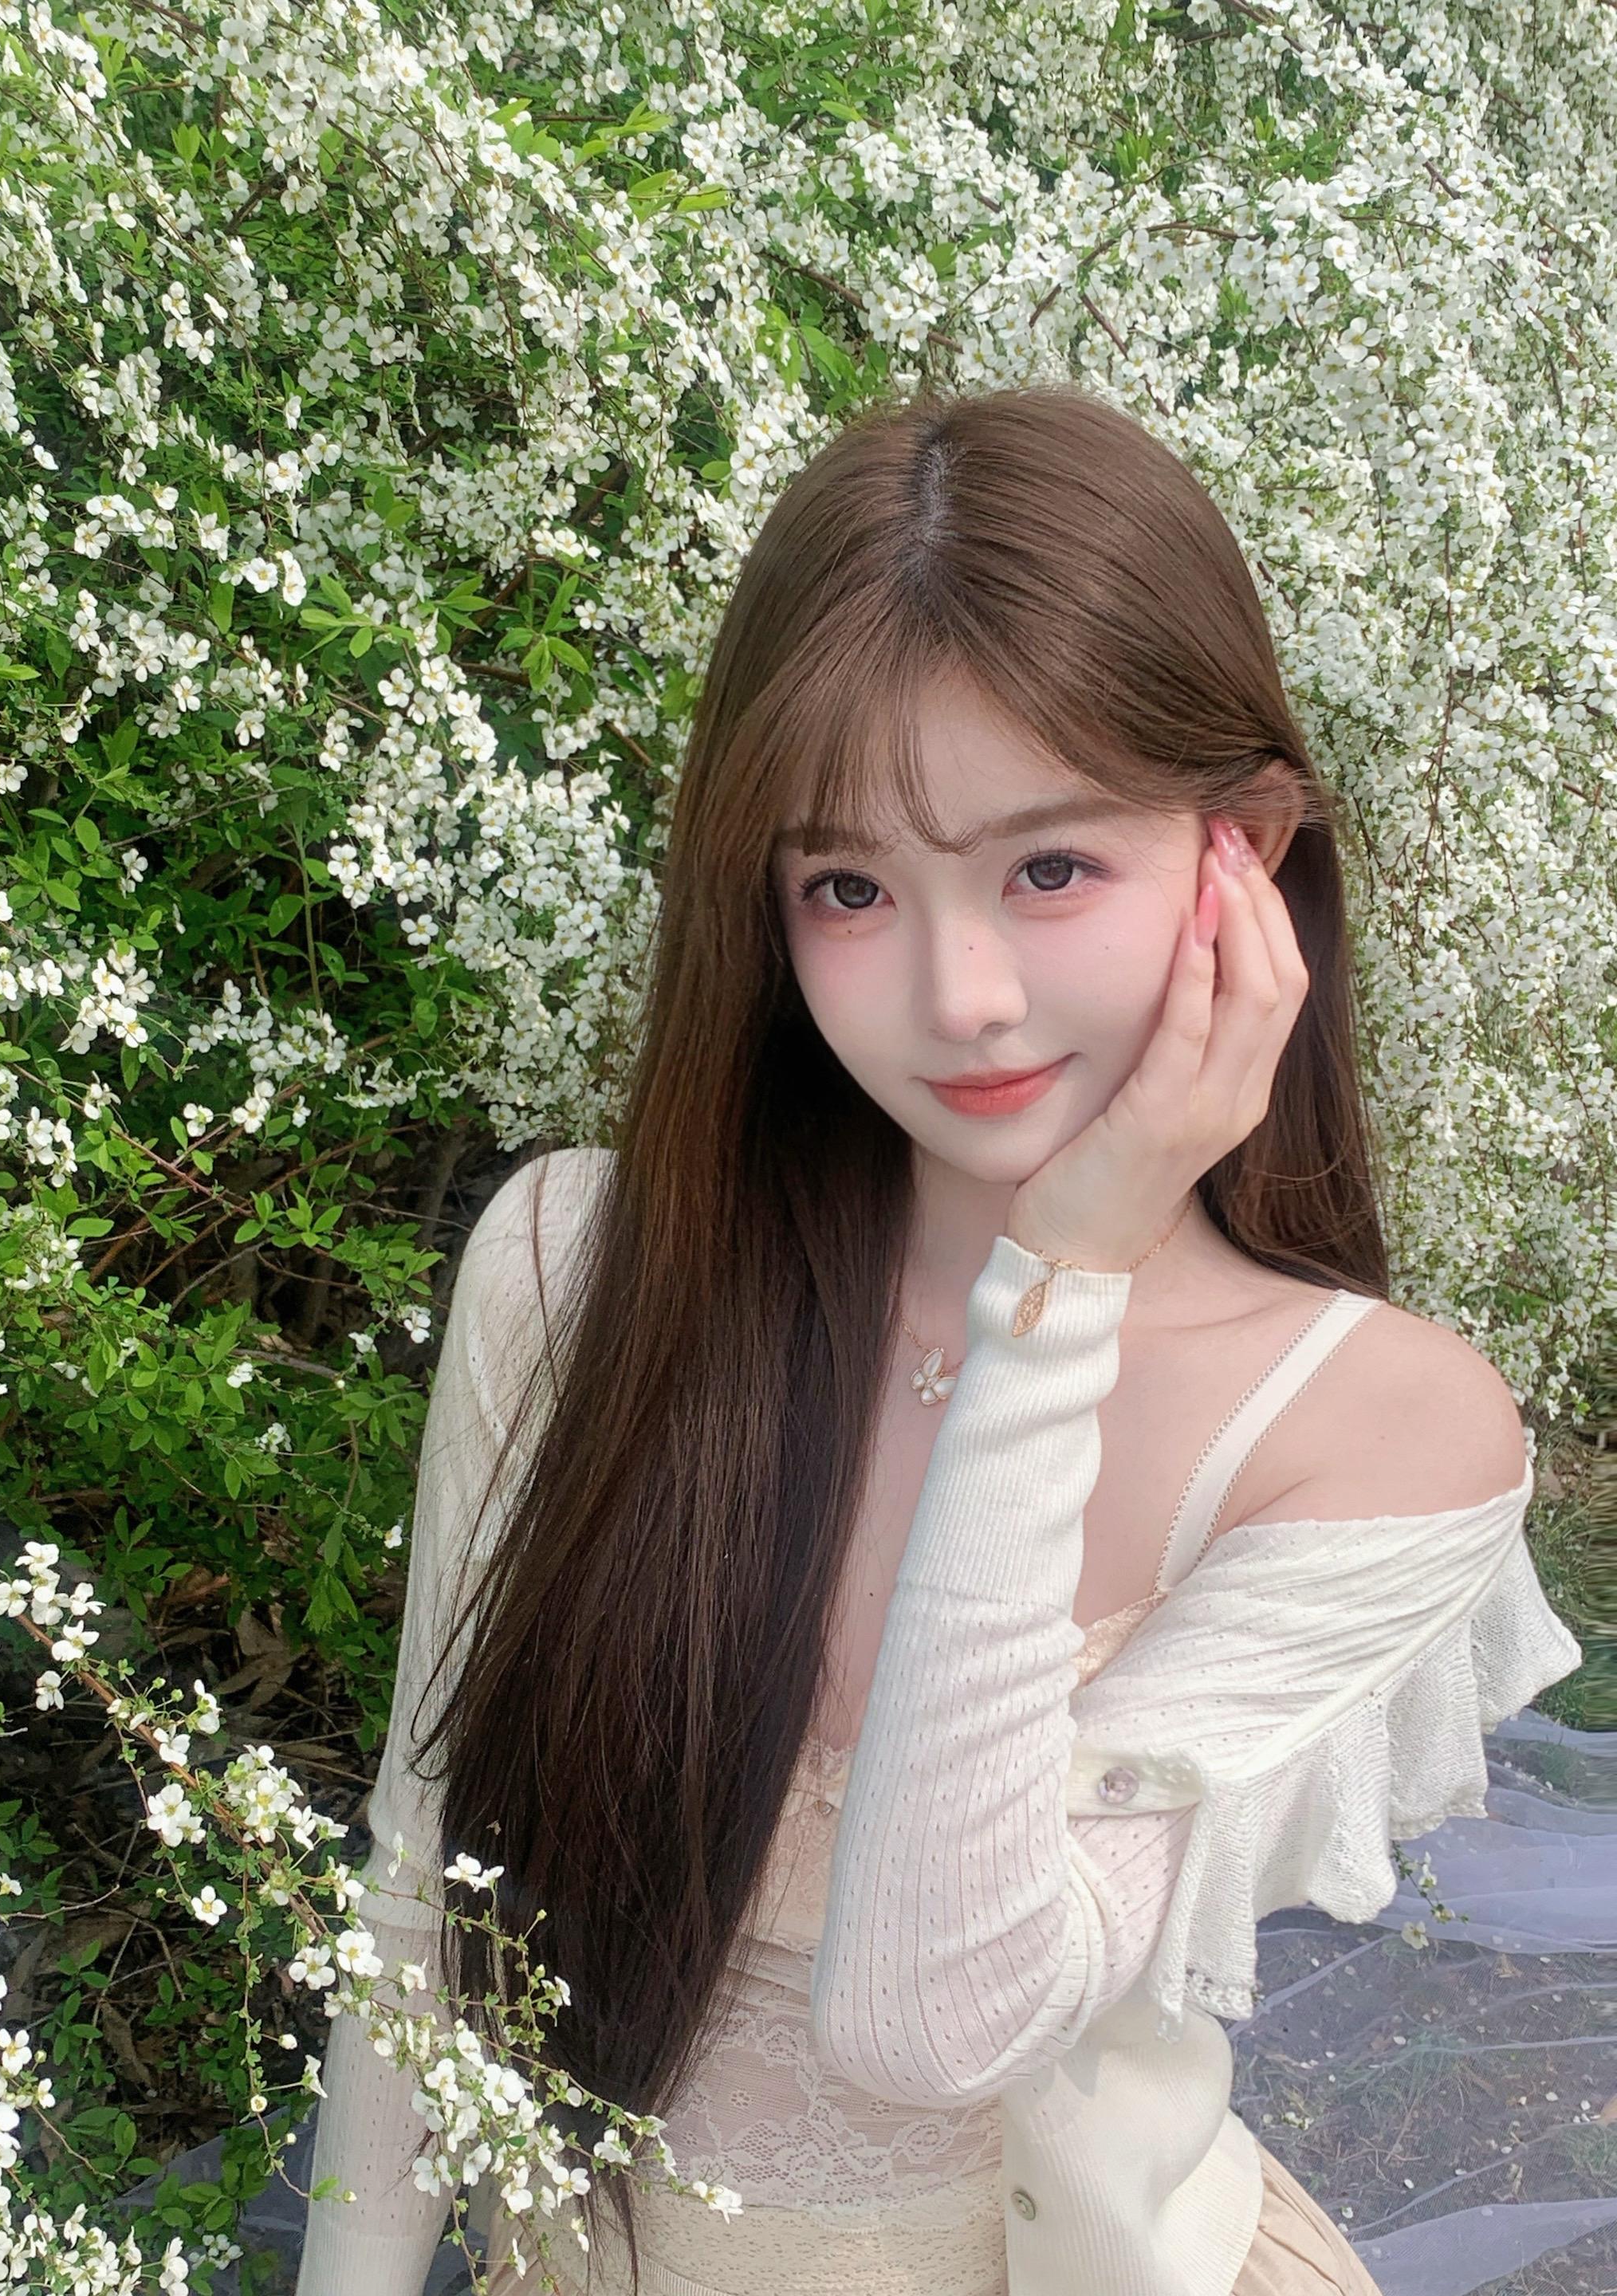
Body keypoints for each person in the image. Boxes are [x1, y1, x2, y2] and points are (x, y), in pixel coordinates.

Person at [293, 383, 1583, 2296]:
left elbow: (935, 2016)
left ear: (1242, 851)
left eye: (1049, 868)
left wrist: (1054, 1285)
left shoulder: (1376, 1433)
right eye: (848, 887)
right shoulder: (578, 1274)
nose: (956, 996)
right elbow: (425, 1900)